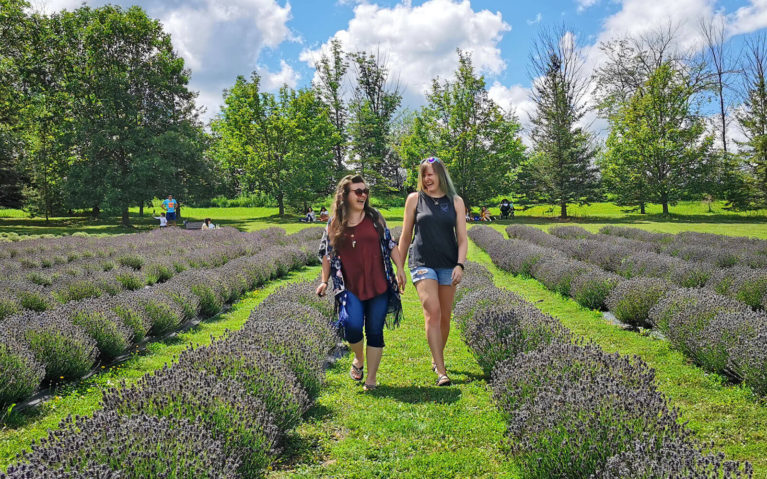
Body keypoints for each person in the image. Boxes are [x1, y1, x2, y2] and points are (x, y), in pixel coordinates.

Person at [316, 175, 405, 391]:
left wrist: (400, 268)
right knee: (352, 326)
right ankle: (359, 359)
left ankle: (371, 379)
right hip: (350, 286)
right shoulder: (334, 223)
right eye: (357, 191)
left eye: (365, 191)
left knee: (375, 331)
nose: (363, 195)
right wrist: (324, 281)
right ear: (344, 195)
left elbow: (391, 244)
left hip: (379, 284)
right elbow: (327, 254)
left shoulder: (375, 218)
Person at [398, 157, 468, 387]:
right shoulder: (414, 200)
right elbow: (406, 235)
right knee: (433, 311)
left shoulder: (456, 201)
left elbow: (462, 238)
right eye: (424, 175)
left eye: (431, 174)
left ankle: (435, 355)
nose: (427, 179)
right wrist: (399, 267)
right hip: (421, 262)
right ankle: (442, 370)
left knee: (445, 316)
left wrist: (460, 264)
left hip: (448, 264)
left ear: (440, 175)